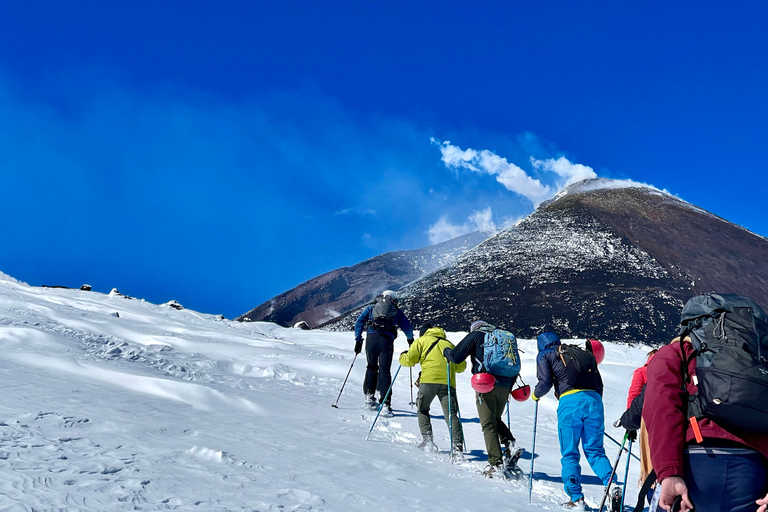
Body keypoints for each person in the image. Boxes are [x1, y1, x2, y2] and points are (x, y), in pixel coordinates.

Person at [643, 334, 768, 512]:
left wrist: (669, 471)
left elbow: (662, 411)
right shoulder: (760, 352)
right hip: (753, 468)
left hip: (695, 464)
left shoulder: (678, 352)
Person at [532, 330, 616, 509]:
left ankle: (576, 497)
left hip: (570, 404)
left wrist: (535, 395)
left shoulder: (545, 354)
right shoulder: (581, 354)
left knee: (570, 453)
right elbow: (599, 384)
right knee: (595, 451)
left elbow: (545, 382)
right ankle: (612, 484)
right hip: (594, 402)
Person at [443, 320, 522, 477]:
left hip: (486, 383)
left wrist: (446, 351)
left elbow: (456, 356)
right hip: (506, 384)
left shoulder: (476, 335)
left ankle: (496, 464)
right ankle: (509, 443)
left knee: (488, 424)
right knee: (495, 418)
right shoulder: (502, 337)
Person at [398, 322, 466, 456]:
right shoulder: (449, 344)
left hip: (428, 380)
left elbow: (410, 360)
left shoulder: (421, 341)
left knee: (422, 408)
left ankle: (428, 440)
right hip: (448, 382)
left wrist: (402, 357)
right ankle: (457, 446)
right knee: (451, 415)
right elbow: (461, 366)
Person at [354, 290, 414, 413]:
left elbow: (359, 321)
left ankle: (369, 398)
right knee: (385, 370)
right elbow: (407, 327)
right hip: (386, 341)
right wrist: (410, 339)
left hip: (371, 339)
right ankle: (385, 403)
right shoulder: (396, 310)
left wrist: (358, 339)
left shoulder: (371, 308)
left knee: (371, 367)